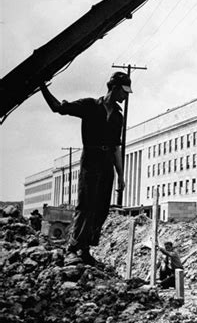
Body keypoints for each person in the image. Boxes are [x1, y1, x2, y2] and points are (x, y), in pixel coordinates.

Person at [40, 71, 132, 266]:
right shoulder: (90, 106)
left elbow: (116, 147)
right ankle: (73, 247)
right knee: (86, 205)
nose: (126, 96)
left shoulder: (117, 116)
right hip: (91, 159)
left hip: (107, 162)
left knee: (101, 208)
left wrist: (121, 175)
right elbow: (59, 108)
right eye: (124, 91)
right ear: (114, 88)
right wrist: (42, 87)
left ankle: (85, 249)